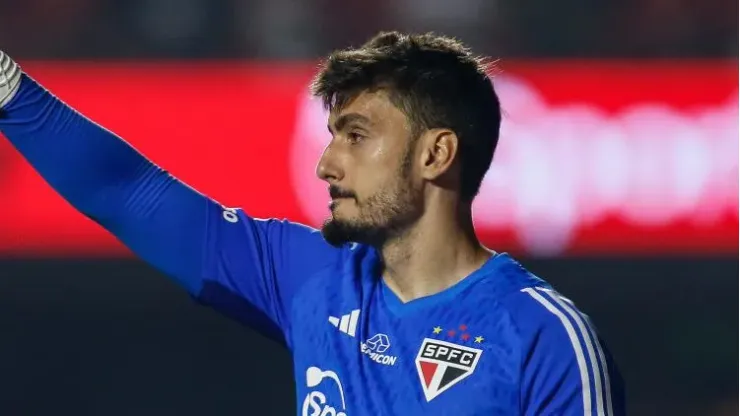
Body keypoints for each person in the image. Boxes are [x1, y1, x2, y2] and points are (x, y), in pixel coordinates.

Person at [0, 32, 624, 415]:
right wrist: (10, 92)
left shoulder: (545, 338)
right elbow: (130, 191)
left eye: (356, 136)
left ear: (436, 154)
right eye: (332, 137)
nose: (327, 164)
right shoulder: (309, 278)